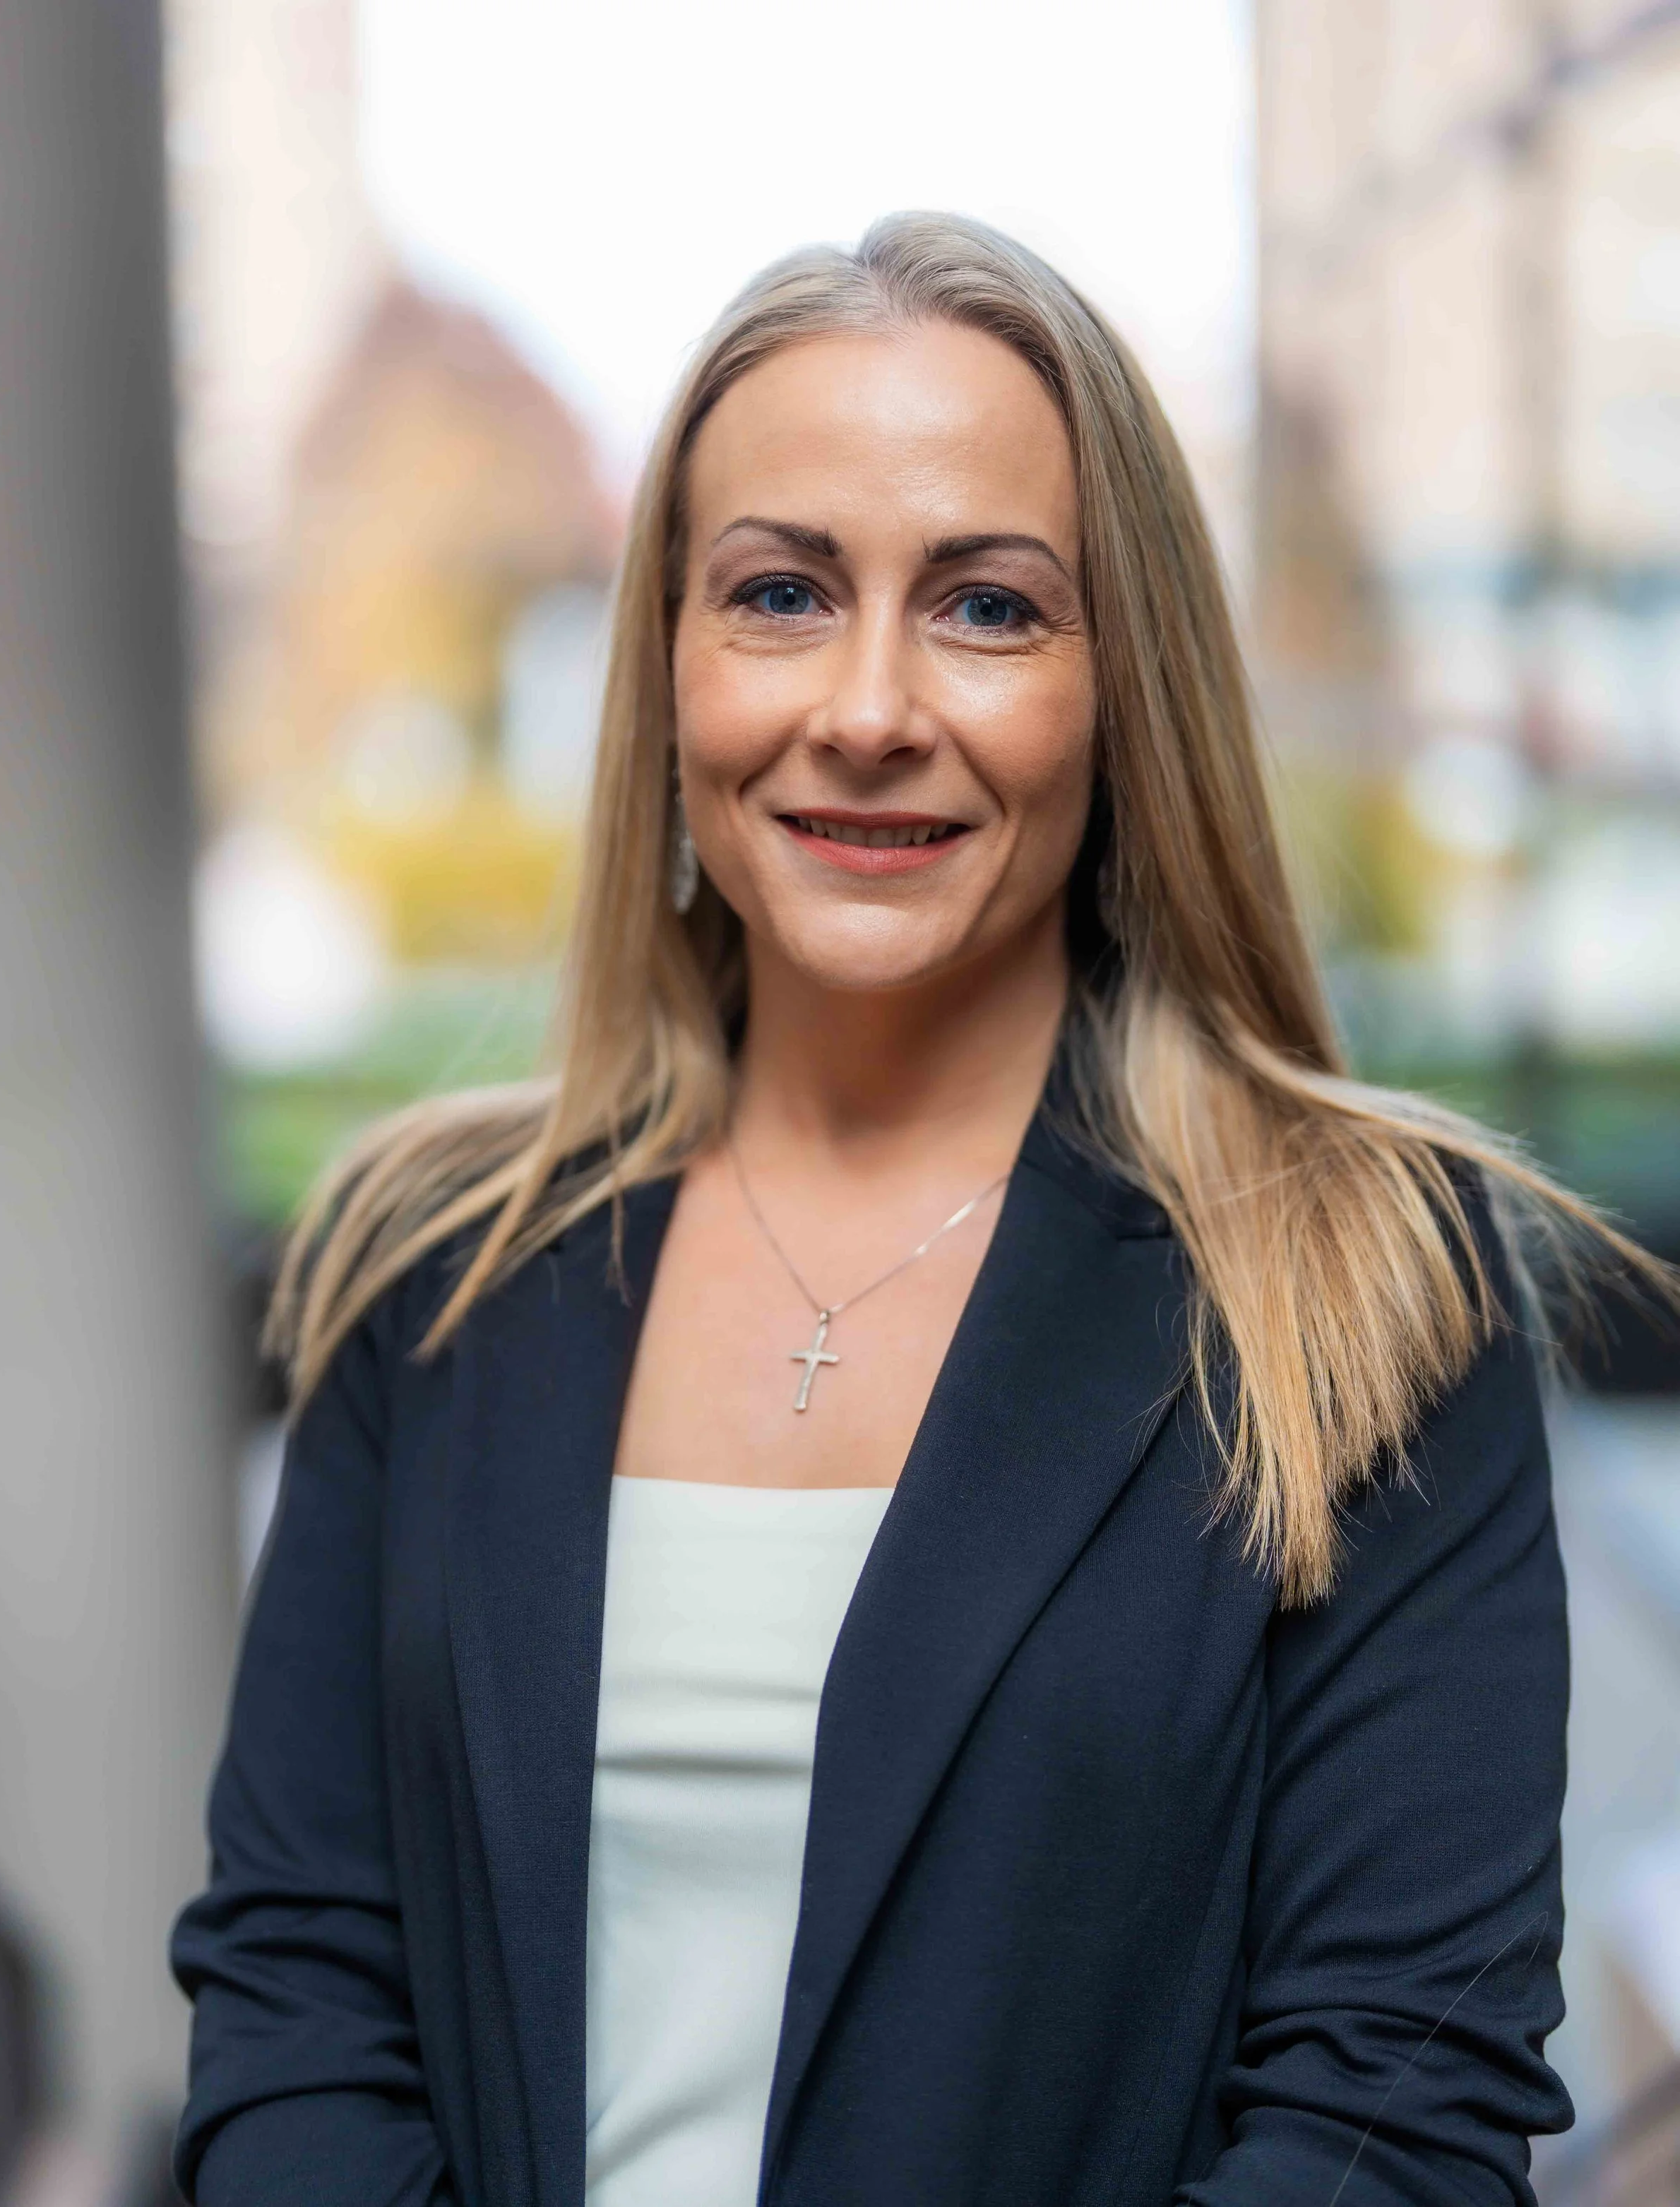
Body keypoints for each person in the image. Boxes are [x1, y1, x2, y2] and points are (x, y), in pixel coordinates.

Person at [170, 213, 1668, 2207]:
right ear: (669, 666)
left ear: (1123, 687)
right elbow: (296, 2004)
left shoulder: (1365, 1275)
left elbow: (1388, 2113)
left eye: (986, 607)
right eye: (781, 593)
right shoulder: (433, 1267)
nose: (869, 707)